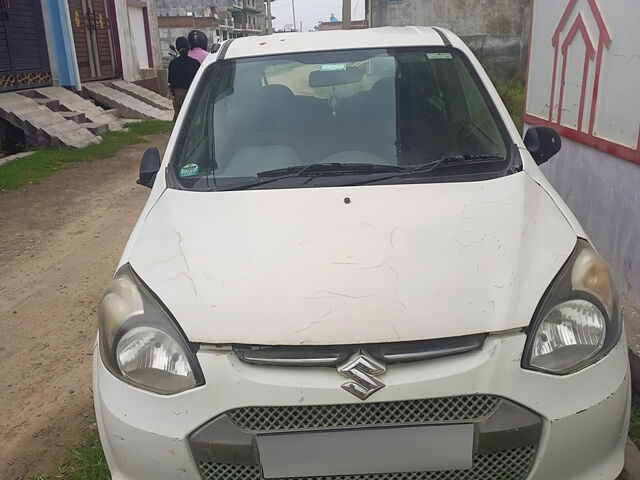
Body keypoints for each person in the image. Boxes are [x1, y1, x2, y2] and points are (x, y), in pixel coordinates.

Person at [168, 36, 201, 122]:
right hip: (192, 93)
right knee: (193, 116)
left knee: (178, 117)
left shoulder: (173, 63)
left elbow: (171, 81)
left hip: (178, 94)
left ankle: (176, 134)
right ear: (189, 47)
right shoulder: (195, 63)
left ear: (177, 49)